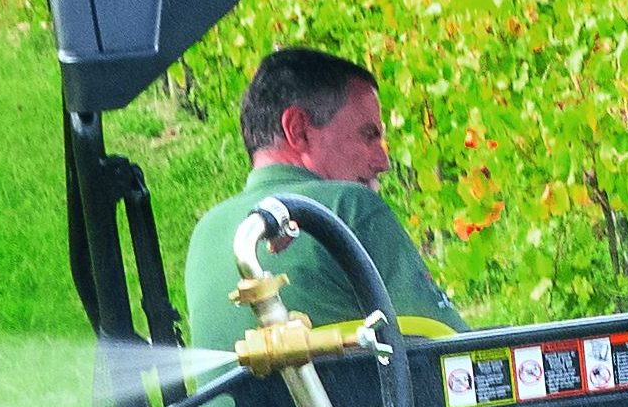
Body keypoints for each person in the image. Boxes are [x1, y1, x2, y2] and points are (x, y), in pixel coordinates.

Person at [183, 47, 467, 350]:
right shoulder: (349, 207)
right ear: (298, 130)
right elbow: (455, 353)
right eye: (368, 135)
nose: (383, 161)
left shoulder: (206, 233)